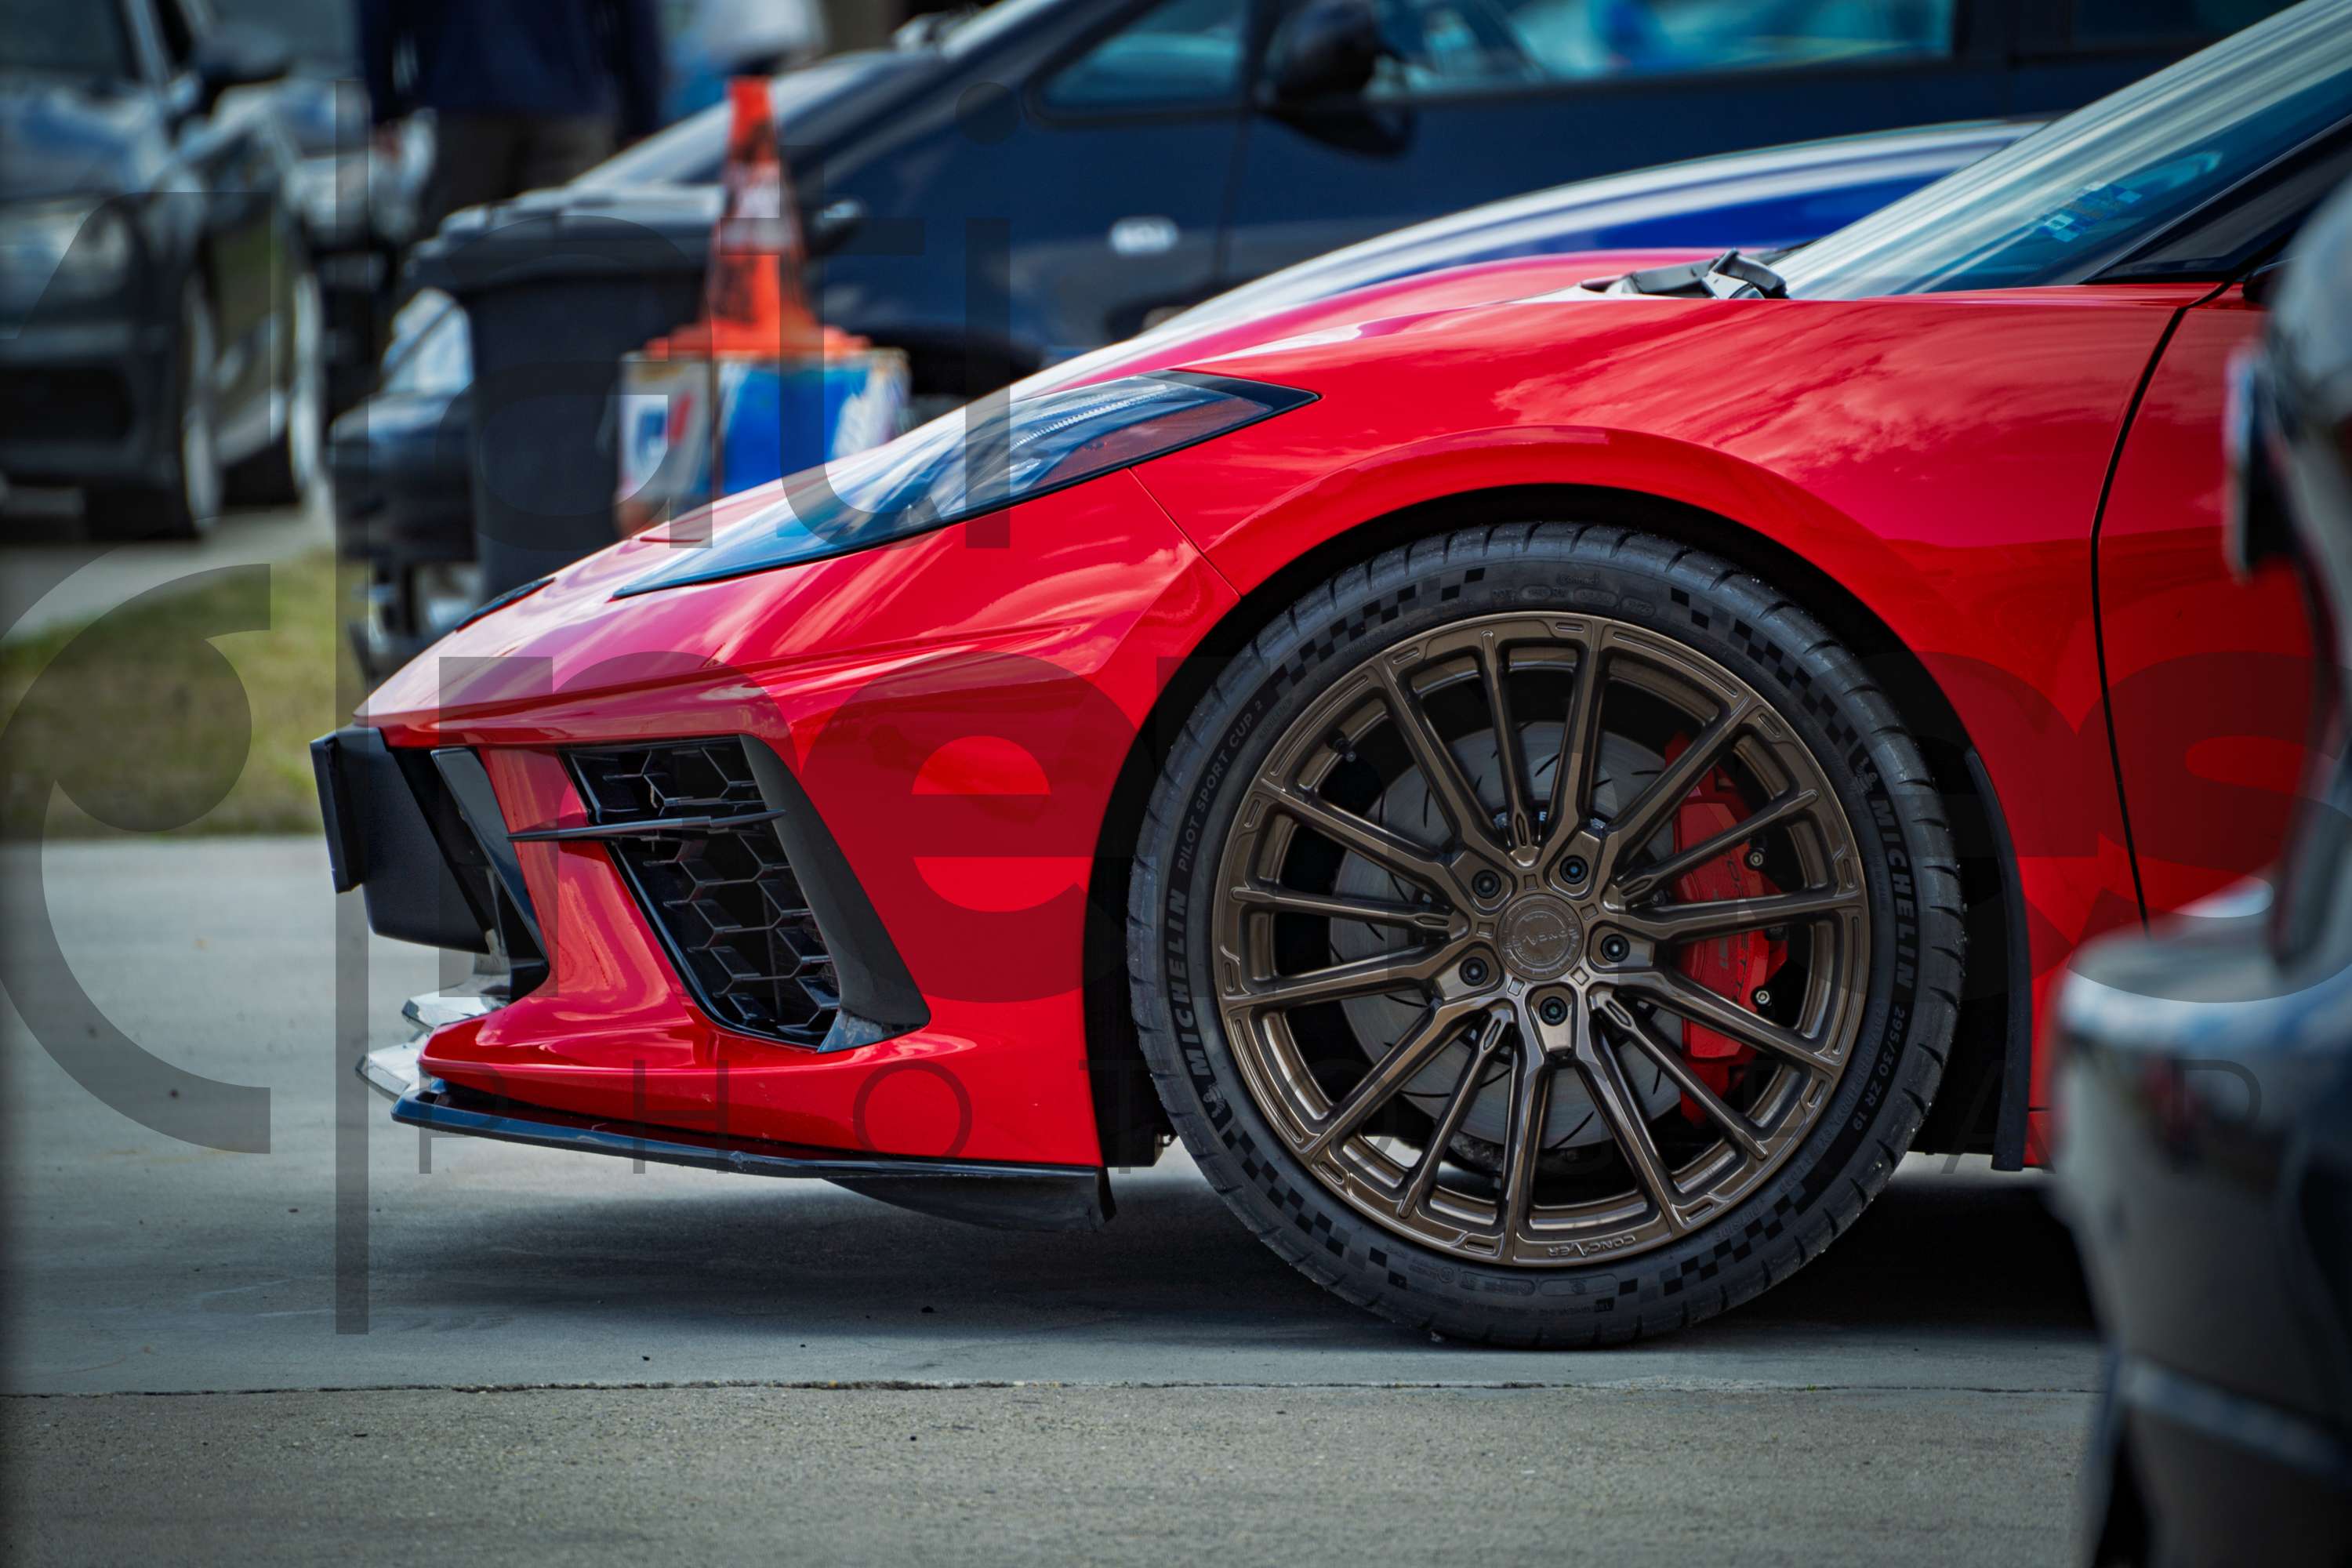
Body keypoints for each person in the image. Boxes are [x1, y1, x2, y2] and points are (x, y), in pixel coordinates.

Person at [361, 0, 666, 226]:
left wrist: (384, 107)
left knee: (461, 256)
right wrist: (642, 119)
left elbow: (378, 11)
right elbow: (638, 15)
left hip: (466, 103)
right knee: (565, 253)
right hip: (571, 108)